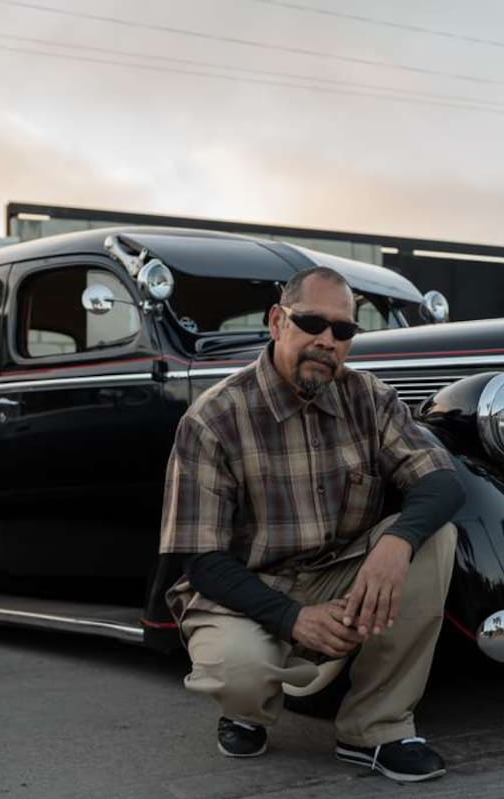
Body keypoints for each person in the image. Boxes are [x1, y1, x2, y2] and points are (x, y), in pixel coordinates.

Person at [159, 265, 466, 783]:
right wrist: (294, 619)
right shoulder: (213, 418)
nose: (327, 340)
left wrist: (397, 541)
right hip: (248, 589)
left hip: (339, 573)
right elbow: (202, 559)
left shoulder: (368, 396)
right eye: (312, 323)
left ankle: (375, 728)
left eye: (343, 330)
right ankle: (246, 710)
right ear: (278, 321)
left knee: (435, 534)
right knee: (240, 673)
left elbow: (445, 482)